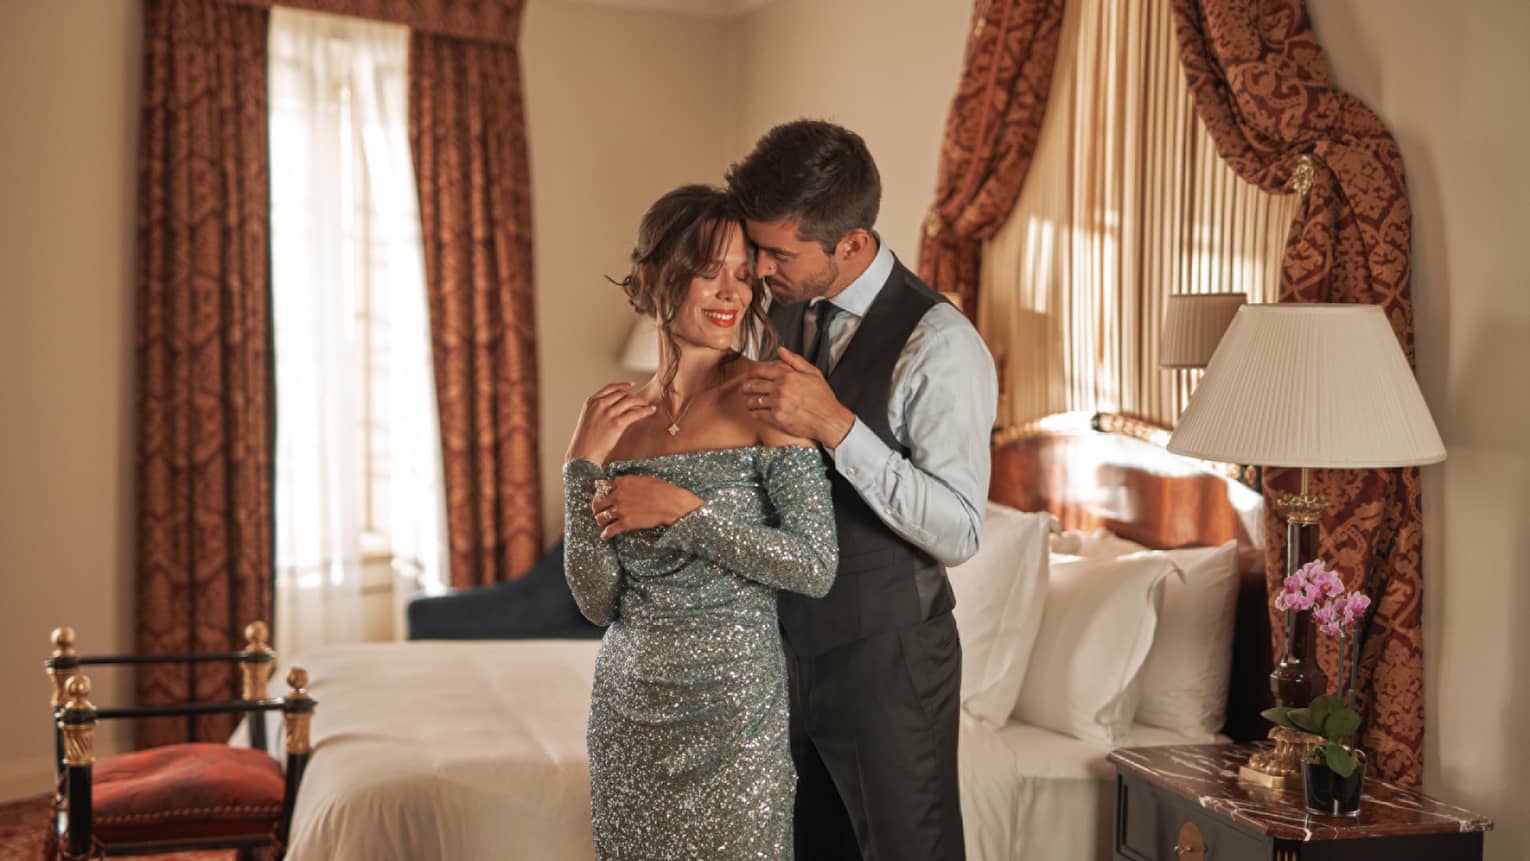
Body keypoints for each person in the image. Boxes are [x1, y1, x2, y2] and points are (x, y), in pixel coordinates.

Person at [727, 120, 998, 861]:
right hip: (789, 650)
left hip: (891, 661)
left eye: (778, 252)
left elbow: (961, 528)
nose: (759, 266)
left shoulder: (941, 344)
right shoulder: (781, 308)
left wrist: (838, 426)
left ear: (849, 243)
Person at [562, 184, 839, 860]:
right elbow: (598, 603)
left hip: (735, 720)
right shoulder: (618, 419)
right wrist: (580, 469)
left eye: (744, 276)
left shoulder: (765, 395)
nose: (731, 293)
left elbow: (814, 563)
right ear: (660, 276)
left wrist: (686, 513)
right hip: (629, 717)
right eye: (709, 271)